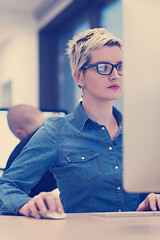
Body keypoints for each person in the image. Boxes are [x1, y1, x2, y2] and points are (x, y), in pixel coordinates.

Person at [0, 28, 160, 218]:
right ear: (79, 77)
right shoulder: (56, 132)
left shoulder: (139, 132)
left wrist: (156, 196)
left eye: (120, 66)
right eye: (103, 67)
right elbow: (6, 186)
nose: (115, 75)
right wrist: (27, 205)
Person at [4, 104, 57, 197]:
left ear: (21, 133)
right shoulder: (74, 132)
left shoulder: (22, 149)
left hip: (49, 209)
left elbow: (6, 191)